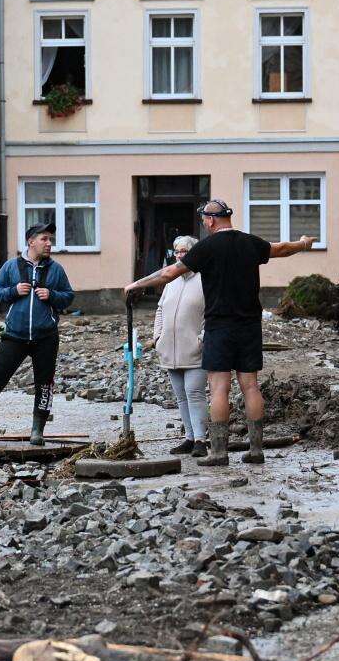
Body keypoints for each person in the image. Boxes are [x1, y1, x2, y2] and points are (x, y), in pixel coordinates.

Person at [124, 198, 313, 467]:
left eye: (204, 220)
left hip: (219, 327)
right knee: (251, 386)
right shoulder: (250, 242)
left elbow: (168, 274)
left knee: (219, 389)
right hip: (249, 326)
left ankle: (219, 453)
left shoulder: (206, 247)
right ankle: (256, 450)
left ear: (211, 220)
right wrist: (304, 243)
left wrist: (135, 285)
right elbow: (282, 249)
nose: (204, 224)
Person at [0, 223, 76, 446]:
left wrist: (52, 295)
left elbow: (68, 296)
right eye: (45, 239)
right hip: (15, 334)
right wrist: (13, 291)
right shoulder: (11, 266)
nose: (49, 244)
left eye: (50, 239)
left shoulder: (56, 269)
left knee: (45, 384)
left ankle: (37, 430)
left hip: (46, 337)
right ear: (31, 241)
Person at [153, 235, 208, 457]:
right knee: (181, 397)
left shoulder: (205, 279)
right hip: (169, 349)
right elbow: (159, 310)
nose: (180, 255)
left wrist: (202, 339)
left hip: (194, 349)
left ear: (195, 254)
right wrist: (157, 336)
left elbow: (213, 312)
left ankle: (201, 441)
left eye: (185, 251)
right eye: (177, 251)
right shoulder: (171, 281)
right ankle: (188, 438)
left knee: (194, 393)